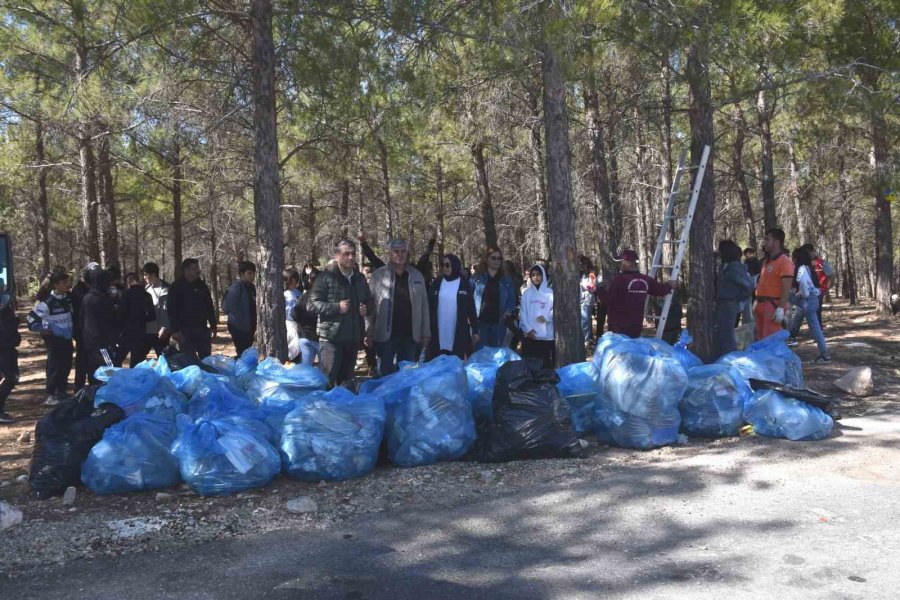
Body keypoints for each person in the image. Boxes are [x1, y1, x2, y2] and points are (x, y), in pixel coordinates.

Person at [310, 239, 373, 388]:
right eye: (346, 254)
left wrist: (367, 309)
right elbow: (312, 304)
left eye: (353, 254)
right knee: (328, 381)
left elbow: (370, 301)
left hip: (352, 339)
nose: (351, 257)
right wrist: (336, 307)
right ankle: (326, 410)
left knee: (347, 382)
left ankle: (343, 410)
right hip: (331, 339)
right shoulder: (325, 277)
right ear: (337, 256)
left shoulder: (360, 278)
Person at [368, 239, 431, 376]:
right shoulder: (378, 275)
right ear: (389, 253)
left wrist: (426, 332)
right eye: (396, 251)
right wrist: (368, 332)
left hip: (411, 334)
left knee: (408, 375)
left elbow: (424, 306)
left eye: (403, 251)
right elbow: (370, 306)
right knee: (387, 375)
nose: (400, 255)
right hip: (386, 335)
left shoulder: (416, 275)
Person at [594, 249, 675, 339]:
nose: (621, 264)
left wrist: (599, 289)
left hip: (618, 327)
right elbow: (660, 290)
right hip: (636, 326)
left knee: (622, 352)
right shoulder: (646, 280)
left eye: (622, 261)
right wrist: (669, 285)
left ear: (628, 263)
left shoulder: (620, 280)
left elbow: (608, 300)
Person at [27, 269, 74, 406]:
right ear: (55, 285)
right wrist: (42, 329)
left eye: (68, 281)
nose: (68, 284)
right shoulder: (48, 302)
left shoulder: (67, 298)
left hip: (67, 338)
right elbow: (31, 319)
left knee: (66, 365)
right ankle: (50, 394)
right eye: (64, 282)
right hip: (55, 340)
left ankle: (61, 391)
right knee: (55, 366)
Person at [426, 254, 478, 360]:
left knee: (455, 365)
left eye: (447, 265)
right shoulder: (438, 281)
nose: (444, 268)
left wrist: (475, 330)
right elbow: (429, 305)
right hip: (439, 331)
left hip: (457, 331)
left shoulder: (463, 283)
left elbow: (471, 308)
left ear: (454, 265)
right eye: (442, 265)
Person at [168, 258, 217, 359]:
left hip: (202, 329)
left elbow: (209, 306)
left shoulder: (202, 286)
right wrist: (175, 330)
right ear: (186, 270)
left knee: (206, 359)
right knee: (188, 360)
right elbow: (171, 310)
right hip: (184, 331)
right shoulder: (176, 287)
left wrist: (213, 326)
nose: (197, 270)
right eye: (194, 268)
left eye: (197, 268)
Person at [789, 247, 831, 363]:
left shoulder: (801, 269)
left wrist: (798, 296)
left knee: (816, 330)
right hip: (813, 300)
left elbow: (805, 289)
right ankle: (824, 355)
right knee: (816, 329)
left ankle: (825, 356)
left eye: (793, 257)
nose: (791, 259)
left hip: (809, 301)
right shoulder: (809, 268)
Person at [753, 228, 794, 341]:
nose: (764, 242)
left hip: (773, 305)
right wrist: (757, 301)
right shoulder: (766, 261)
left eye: (767, 239)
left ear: (776, 242)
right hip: (761, 305)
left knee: (770, 340)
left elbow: (786, 287)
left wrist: (781, 308)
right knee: (760, 339)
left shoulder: (784, 261)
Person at [715, 240, 754, 358]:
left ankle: (731, 360)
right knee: (721, 332)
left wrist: (739, 299)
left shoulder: (735, 267)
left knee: (727, 334)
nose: (719, 253)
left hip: (729, 304)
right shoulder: (724, 266)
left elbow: (749, 285)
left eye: (720, 250)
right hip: (722, 304)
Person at [472, 246, 516, 349]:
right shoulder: (477, 278)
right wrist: (470, 317)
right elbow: (469, 298)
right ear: (486, 259)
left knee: (496, 356)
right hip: (480, 323)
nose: (496, 261)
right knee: (481, 356)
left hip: (498, 323)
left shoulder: (506, 279)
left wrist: (507, 312)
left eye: (499, 258)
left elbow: (511, 299)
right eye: (493, 258)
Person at [79, 269, 118, 385]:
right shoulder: (103, 299)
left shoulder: (87, 297)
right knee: (109, 370)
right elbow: (111, 321)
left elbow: (81, 319)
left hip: (89, 342)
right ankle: (106, 396)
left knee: (94, 372)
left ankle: (95, 396)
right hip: (102, 344)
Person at [518, 264, 555, 369]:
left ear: (543, 275)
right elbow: (523, 313)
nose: (536, 277)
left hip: (546, 336)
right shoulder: (526, 293)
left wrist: (547, 318)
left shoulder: (550, 292)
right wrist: (528, 329)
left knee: (545, 366)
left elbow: (554, 310)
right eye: (533, 275)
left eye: (538, 274)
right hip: (530, 336)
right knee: (530, 366)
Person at [118, 273, 156, 366]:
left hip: (126, 332)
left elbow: (121, 314)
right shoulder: (147, 295)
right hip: (141, 333)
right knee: (137, 363)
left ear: (128, 282)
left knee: (117, 359)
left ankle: (115, 377)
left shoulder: (125, 294)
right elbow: (152, 316)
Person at [223, 260, 257, 356]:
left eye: (253, 273)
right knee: (242, 353)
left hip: (250, 327)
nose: (252, 276)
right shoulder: (236, 287)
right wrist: (238, 316)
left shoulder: (252, 288)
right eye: (249, 273)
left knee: (247, 352)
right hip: (238, 327)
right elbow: (226, 307)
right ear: (241, 274)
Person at [71, 265, 97, 391]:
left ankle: (93, 385)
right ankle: (79, 388)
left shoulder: (92, 290)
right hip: (81, 331)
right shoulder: (79, 290)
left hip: (90, 332)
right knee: (82, 361)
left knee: (92, 361)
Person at [291, 268, 320, 366]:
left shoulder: (304, 296)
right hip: (320, 338)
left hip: (305, 336)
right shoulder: (326, 296)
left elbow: (294, 314)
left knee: (306, 369)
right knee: (325, 371)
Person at [0, 291, 21, 424]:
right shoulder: (4, 312)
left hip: (7, 348)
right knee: (11, 378)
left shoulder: (5, 309)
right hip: (4, 349)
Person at [142, 262, 170, 358]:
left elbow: (167, 311)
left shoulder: (165, 289)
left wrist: (165, 327)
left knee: (164, 359)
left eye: (146, 275)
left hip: (161, 332)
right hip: (148, 331)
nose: (144, 277)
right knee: (140, 357)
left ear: (153, 275)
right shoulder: (146, 289)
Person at [284, 268, 303, 362]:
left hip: (298, 324)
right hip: (291, 324)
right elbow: (291, 313)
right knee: (294, 345)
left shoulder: (297, 293)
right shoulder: (287, 295)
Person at [578, 256, 597, 345]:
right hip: (579, 298)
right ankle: (588, 337)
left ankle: (586, 339)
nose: (582, 266)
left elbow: (593, 288)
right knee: (583, 319)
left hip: (588, 298)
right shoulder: (579, 273)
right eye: (580, 264)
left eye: (583, 264)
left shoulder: (591, 273)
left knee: (585, 319)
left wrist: (584, 284)